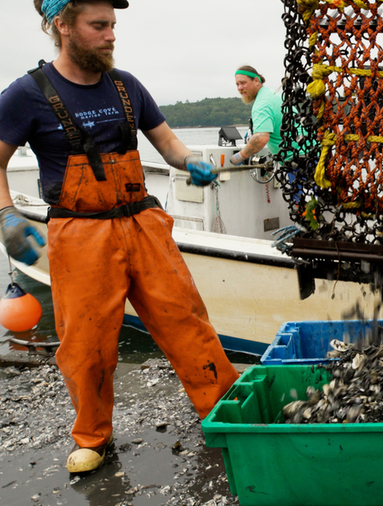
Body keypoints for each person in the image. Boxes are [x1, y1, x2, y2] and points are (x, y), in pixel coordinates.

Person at [0, 0, 240, 473]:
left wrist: (189, 160)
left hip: (144, 226)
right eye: (99, 25)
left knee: (187, 321)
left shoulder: (126, 86)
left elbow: (167, 143)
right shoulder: (26, 94)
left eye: (113, 24)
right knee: (86, 344)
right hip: (79, 233)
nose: (111, 34)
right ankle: (93, 437)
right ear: (62, 26)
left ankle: (224, 415)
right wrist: (7, 216)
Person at [229, 65, 291, 165]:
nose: (240, 88)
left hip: (299, 160)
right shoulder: (270, 93)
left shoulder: (262, 104)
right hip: (307, 154)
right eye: (237, 84)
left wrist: (240, 156)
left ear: (256, 80)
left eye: (243, 83)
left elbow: (261, 138)